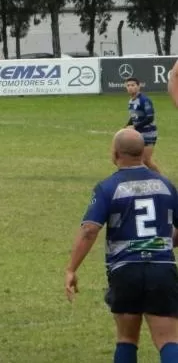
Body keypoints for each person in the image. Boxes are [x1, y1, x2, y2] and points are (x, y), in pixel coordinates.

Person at [66, 128, 178, 363]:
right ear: (142, 153)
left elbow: (89, 230)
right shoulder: (166, 185)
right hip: (161, 269)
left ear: (115, 154)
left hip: (125, 271)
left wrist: (71, 269)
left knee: (127, 338)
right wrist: (165, 242)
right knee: (168, 339)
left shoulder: (108, 187)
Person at [125, 77, 159, 172]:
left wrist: (135, 126)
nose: (130, 87)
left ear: (138, 86)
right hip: (138, 134)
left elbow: (150, 117)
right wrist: (125, 127)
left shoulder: (144, 100)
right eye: (128, 85)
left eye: (133, 85)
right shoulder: (131, 101)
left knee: (146, 160)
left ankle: (162, 179)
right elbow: (134, 117)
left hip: (149, 133)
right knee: (137, 160)